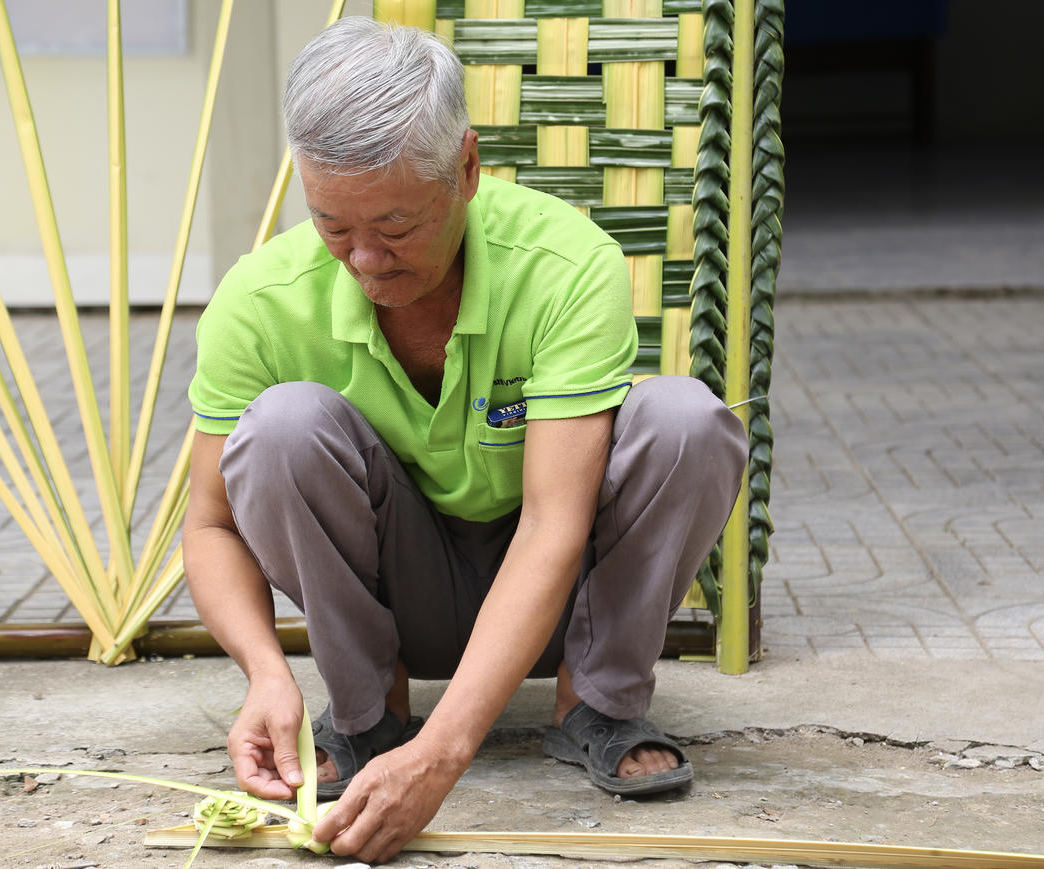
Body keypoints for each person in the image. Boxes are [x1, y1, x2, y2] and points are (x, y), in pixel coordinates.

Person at [184, 15, 746, 864]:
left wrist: (444, 756)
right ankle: (370, 715)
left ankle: (595, 701)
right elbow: (211, 523)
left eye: (396, 225)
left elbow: (556, 526)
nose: (365, 259)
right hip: (398, 600)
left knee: (688, 421)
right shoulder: (260, 300)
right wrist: (266, 672)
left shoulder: (565, 264)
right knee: (280, 430)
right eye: (334, 225)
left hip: (560, 595)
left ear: (468, 169)